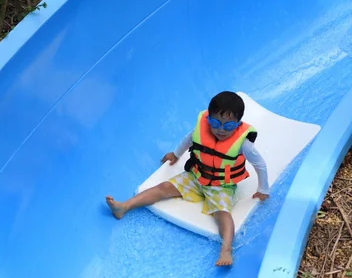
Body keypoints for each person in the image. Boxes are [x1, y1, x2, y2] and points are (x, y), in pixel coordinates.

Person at [106, 91, 269, 267]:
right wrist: (175, 155)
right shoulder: (201, 131)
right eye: (215, 123)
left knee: (222, 214)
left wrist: (263, 189)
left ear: (238, 125)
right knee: (163, 188)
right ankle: (124, 206)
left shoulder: (243, 144)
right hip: (196, 176)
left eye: (228, 126)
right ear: (208, 119)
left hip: (221, 186)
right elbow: (187, 141)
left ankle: (226, 248)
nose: (221, 129)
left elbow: (260, 165)